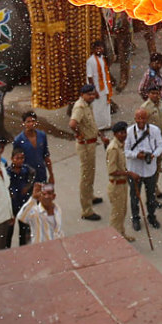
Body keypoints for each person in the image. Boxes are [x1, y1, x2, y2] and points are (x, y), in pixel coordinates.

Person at [69, 84, 108, 221]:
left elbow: (91, 123)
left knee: (90, 173)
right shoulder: (80, 107)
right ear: (82, 95)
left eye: (93, 94)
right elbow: (72, 124)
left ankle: (90, 197)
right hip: (85, 145)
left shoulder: (88, 105)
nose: (92, 96)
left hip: (91, 143)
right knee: (86, 176)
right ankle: (86, 210)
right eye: (89, 94)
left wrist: (100, 135)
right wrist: (79, 134)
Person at [126, 109, 162, 232]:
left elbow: (161, 146)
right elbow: (126, 151)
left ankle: (152, 216)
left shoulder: (155, 130)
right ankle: (135, 218)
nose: (141, 121)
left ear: (147, 119)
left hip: (150, 170)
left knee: (151, 196)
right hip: (134, 170)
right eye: (139, 118)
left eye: (143, 118)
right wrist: (137, 155)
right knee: (134, 196)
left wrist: (154, 154)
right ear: (135, 119)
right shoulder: (129, 132)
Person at [106, 121, 134, 242]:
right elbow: (112, 171)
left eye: (124, 132)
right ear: (115, 134)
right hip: (116, 186)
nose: (123, 135)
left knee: (122, 212)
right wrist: (129, 174)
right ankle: (115, 240)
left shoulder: (121, 146)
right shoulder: (113, 148)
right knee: (116, 215)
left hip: (122, 185)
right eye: (120, 133)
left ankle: (121, 234)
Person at [12, 111, 54, 185]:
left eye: (33, 121)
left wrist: (51, 174)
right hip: (26, 177)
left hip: (41, 174)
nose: (31, 124)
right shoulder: (18, 140)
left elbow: (46, 156)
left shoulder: (42, 136)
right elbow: (16, 161)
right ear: (24, 123)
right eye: (28, 122)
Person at [6, 146, 34, 246]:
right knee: (8, 232)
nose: (20, 160)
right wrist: (10, 192)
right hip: (11, 206)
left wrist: (28, 187)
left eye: (22, 158)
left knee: (24, 232)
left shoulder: (26, 170)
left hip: (24, 205)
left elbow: (33, 175)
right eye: (17, 158)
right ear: (12, 159)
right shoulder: (7, 172)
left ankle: (22, 250)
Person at [85, 40, 113, 132]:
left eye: (100, 48)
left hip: (104, 87)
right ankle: (98, 126)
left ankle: (106, 124)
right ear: (93, 49)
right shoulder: (90, 61)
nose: (99, 50)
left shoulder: (102, 59)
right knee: (97, 108)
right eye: (97, 48)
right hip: (97, 88)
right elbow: (90, 77)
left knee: (105, 106)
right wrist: (94, 90)